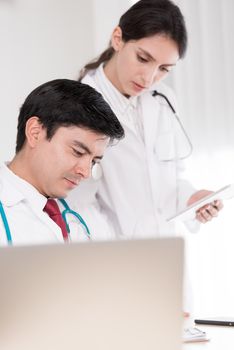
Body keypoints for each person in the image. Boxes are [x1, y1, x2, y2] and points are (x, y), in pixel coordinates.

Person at [67, 0, 222, 240]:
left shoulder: (163, 99)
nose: (149, 79)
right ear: (118, 38)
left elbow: (168, 179)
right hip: (116, 256)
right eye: (143, 58)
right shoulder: (79, 106)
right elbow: (78, 201)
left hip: (165, 246)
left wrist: (192, 199)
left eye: (164, 69)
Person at [0, 79, 124, 246]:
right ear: (35, 133)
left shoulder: (76, 216)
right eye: (77, 152)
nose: (85, 173)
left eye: (94, 161)